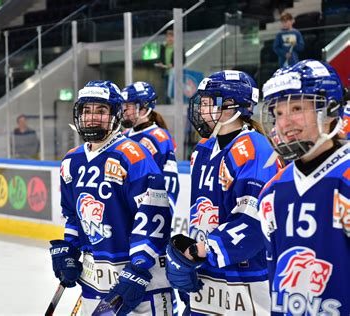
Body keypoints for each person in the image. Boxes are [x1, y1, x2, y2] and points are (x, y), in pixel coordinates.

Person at [50, 80, 174, 315]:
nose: (92, 117)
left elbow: (153, 218)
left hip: (140, 285)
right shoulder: (71, 161)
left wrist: (138, 268)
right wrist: (69, 250)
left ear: (115, 115)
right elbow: (74, 217)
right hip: (94, 285)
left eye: (101, 110)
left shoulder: (134, 155)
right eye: (87, 110)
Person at [165, 70, 282, 315]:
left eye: (210, 102)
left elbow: (253, 221)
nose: (202, 109)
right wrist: (190, 257)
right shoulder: (204, 149)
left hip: (245, 277)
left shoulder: (256, 149)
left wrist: (199, 251)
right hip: (207, 272)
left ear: (233, 106)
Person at [258, 59, 349, 315]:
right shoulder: (272, 192)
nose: (284, 123)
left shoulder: (346, 181)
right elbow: (276, 280)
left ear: (330, 110)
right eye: (278, 113)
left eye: (296, 108)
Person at [121, 81, 179, 212]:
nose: (124, 110)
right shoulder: (124, 135)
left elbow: (169, 180)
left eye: (128, 106)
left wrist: (165, 211)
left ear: (143, 108)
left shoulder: (160, 137)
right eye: (123, 105)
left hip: (146, 208)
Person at [155, 29, 175, 104]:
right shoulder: (163, 47)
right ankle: (168, 104)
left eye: (171, 37)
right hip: (166, 72)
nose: (169, 38)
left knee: (174, 90)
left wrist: (173, 64)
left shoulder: (177, 47)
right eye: (168, 37)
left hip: (175, 73)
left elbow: (182, 59)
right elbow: (161, 57)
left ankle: (175, 104)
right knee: (167, 90)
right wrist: (160, 63)